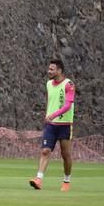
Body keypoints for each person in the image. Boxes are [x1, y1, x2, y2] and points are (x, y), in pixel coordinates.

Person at [29, 59, 75, 192]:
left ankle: (66, 180)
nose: (49, 71)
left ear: (59, 70)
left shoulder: (69, 84)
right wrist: (48, 115)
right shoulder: (49, 84)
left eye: (52, 69)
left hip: (65, 124)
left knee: (65, 154)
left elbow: (67, 105)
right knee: (45, 151)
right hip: (51, 124)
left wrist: (54, 114)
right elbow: (51, 101)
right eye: (49, 69)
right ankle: (38, 179)